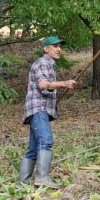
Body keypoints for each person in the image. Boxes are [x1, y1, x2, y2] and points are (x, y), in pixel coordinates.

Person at [19, 35, 76, 187]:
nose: (59, 49)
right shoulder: (43, 62)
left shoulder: (48, 65)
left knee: (32, 148)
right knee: (46, 140)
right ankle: (42, 178)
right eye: (55, 46)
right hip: (38, 109)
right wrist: (64, 83)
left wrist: (59, 86)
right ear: (46, 49)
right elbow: (43, 85)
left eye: (60, 46)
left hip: (36, 109)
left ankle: (22, 184)